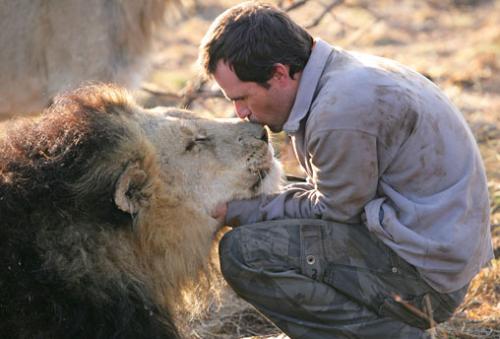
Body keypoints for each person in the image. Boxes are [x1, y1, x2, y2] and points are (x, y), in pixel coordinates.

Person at [198, 2, 494, 338]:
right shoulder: (337, 75)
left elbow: (334, 210)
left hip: (427, 281)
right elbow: (333, 196)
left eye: (243, 97)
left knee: (245, 252)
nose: (240, 113)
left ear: (279, 73)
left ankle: (387, 333)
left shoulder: (339, 112)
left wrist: (240, 211)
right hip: (435, 247)